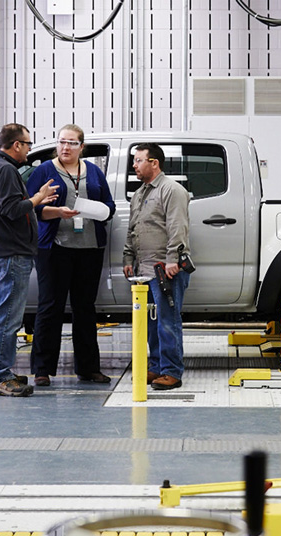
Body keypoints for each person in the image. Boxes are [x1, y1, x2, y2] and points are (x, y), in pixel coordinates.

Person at [0, 123, 75, 397]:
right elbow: (13, 209)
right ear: (16, 145)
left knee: (3, 314)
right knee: (9, 316)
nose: (29, 149)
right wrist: (39, 197)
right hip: (13, 252)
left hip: (10, 251)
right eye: (27, 144)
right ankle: (0, 375)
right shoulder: (6, 170)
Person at [26, 124, 116, 387]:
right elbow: (32, 208)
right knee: (50, 307)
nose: (66, 147)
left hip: (89, 249)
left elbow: (109, 205)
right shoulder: (44, 170)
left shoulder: (95, 172)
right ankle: (42, 369)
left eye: (72, 143)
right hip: (54, 249)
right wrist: (57, 212)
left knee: (85, 309)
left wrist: (101, 210)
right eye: (62, 142)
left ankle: (88, 368)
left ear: (81, 147)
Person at [122, 143, 191, 390]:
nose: (134, 165)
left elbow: (177, 227)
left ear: (154, 163)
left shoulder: (172, 190)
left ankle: (172, 371)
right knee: (151, 322)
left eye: (139, 160)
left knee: (167, 321)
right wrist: (128, 258)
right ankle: (156, 367)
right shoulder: (140, 194)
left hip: (166, 269)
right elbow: (133, 229)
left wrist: (174, 258)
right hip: (144, 271)